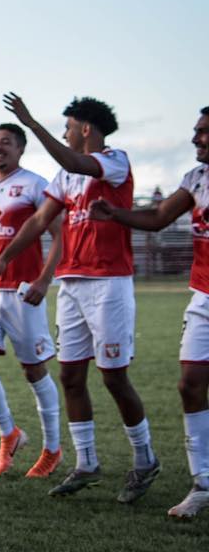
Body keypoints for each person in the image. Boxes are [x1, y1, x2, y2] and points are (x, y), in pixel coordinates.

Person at [0, 94, 157, 503]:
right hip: (72, 284)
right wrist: (3, 260)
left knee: (114, 376)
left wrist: (29, 121)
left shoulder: (114, 160)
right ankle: (86, 462)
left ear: (84, 129)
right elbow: (39, 221)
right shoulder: (66, 178)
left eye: (66, 127)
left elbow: (76, 162)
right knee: (71, 376)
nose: (63, 134)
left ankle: (146, 458)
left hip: (109, 283)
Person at [85, 106, 209, 518]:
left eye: (204, 132)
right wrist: (115, 213)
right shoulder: (196, 179)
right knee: (190, 385)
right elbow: (157, 217)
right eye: (195, 132)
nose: (195, 139)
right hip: (204, 299)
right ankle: (203, 484)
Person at [0, 123, 63, 478]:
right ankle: (10, 434)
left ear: (21, 149)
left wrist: (44, 278)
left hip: (24, 293)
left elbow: (59, 235)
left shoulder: (37, 185)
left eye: (6, 142)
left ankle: (52, 449)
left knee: (34, 370)